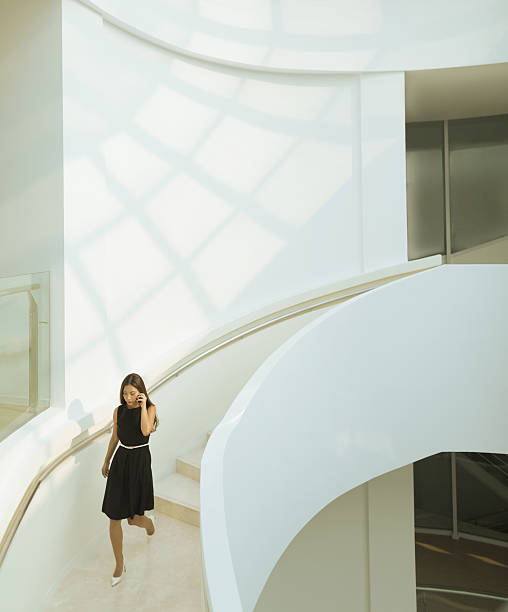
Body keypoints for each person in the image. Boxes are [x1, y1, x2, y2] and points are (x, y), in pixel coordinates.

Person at [101, 373, 160, 586]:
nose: (128, 397)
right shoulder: (119, 411)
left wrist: (143, 406)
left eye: (132, 393)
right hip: (121, 461)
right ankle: (119, 564)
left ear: (141, 392)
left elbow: (145, 430)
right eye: (125, 393)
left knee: (133, 519)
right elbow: (115, 437)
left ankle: (149, 524)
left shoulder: (150, 409)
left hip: (139, 463)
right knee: (114, 517)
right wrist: (106, 460)